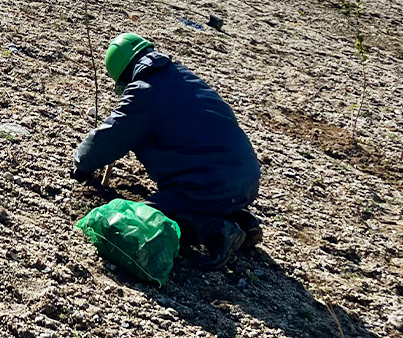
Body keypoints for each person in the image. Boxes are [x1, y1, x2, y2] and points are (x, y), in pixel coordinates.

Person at [72, 33, 263, 270]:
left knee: (145, 218)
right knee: (193, 194)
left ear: (123, 74)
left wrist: (83, 164)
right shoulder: (183, 77)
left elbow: (112, 134)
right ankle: (242, 221)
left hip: (211, 186)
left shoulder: (145, 92)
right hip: (245, 180)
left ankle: (216, 230)